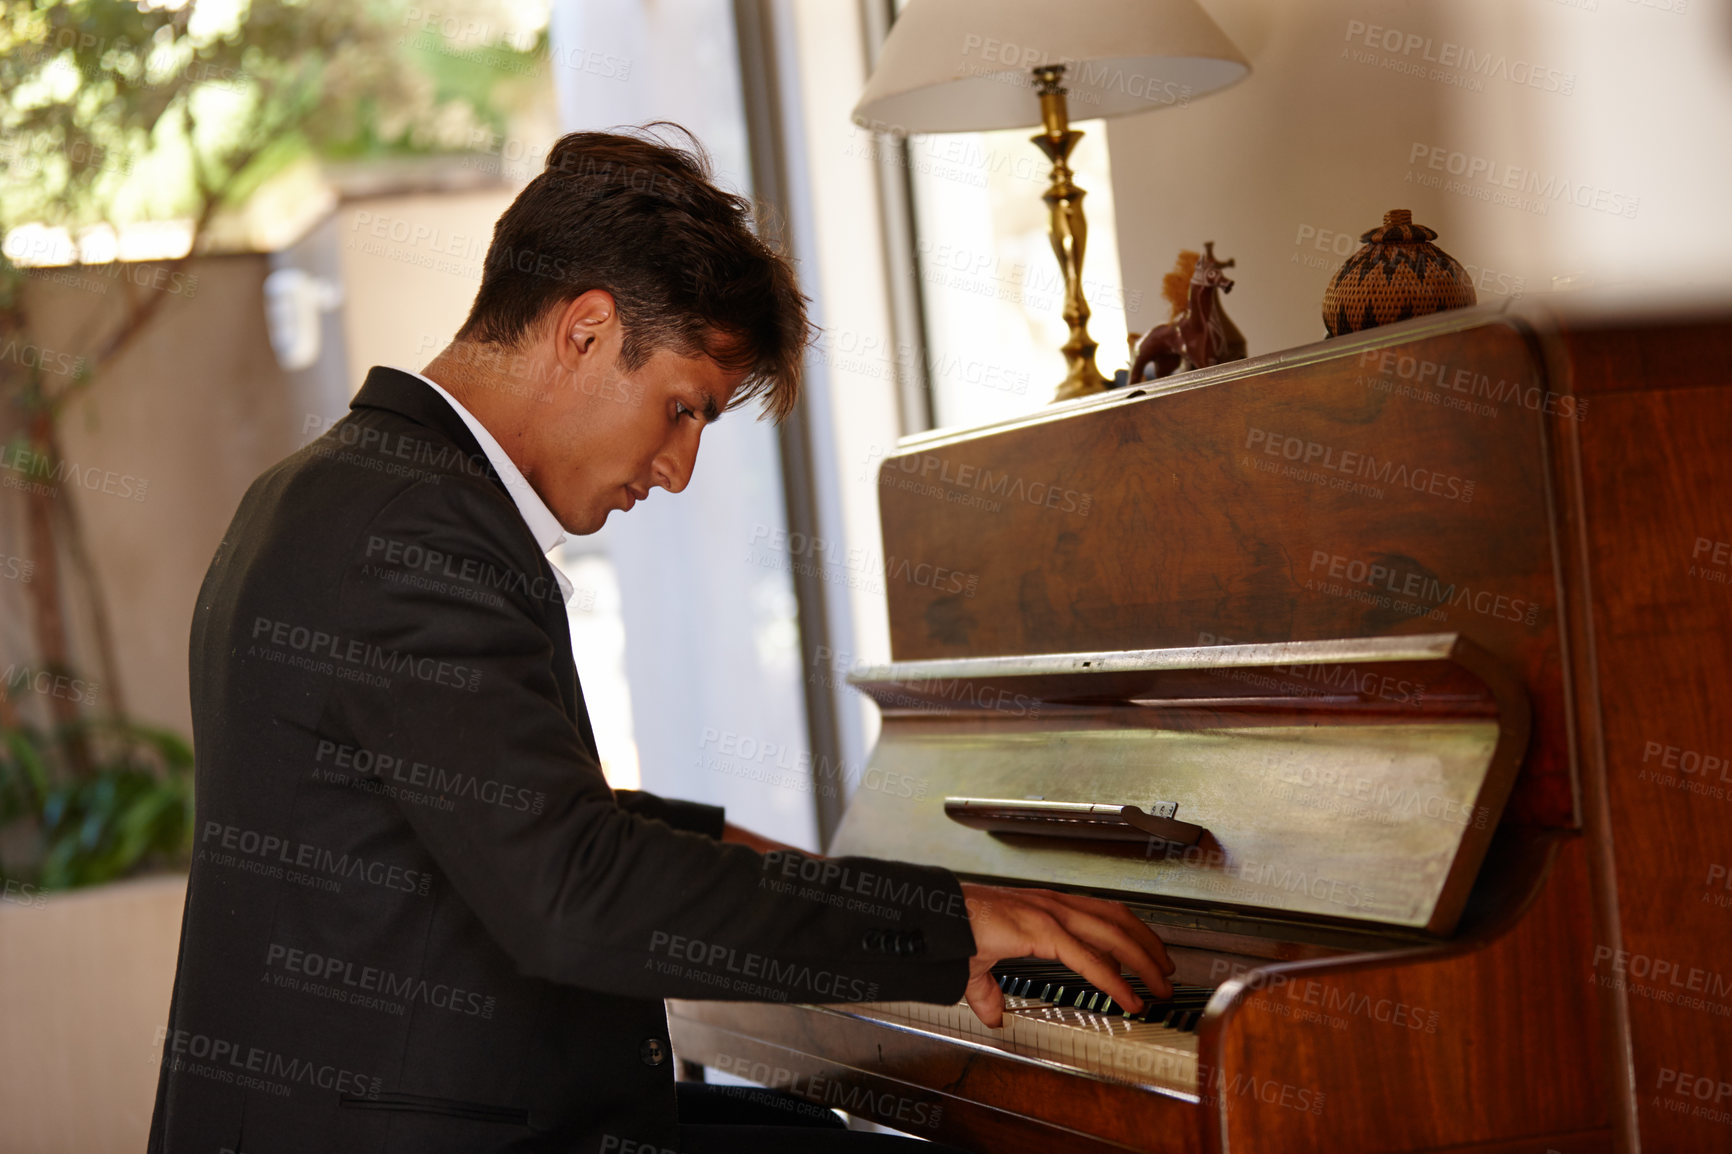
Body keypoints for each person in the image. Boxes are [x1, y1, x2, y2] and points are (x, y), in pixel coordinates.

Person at [147, 124, 1172, 1154]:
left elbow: (495, 808)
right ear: (585, 330)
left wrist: (825, 880)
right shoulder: (414, 532)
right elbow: (572, 889)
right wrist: (933, 923)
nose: (677, 468)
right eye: (681, 408)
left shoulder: (347, 489)